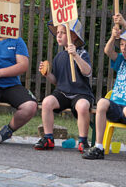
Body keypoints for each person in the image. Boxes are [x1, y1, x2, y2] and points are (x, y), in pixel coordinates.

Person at [83, 14, 126, 165]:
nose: (124, 49)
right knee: (101, 103)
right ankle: (99, 147)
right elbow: (108, 51)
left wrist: (125, 24)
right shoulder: (121, 60)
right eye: (122, 45)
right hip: (116, 108)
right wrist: (114, 37)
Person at [35, 20, 94, 151]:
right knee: (47, 102)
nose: (59, 36)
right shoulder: (59, 57)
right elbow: (57, 81)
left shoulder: (82, 53)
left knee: (83, 106)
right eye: (58, 33)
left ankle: (83, 141)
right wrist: (48, 74)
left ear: (73, 36)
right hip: (62, 92)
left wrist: (75, 56)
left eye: (63, 33)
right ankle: (48, 138)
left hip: (81, 93)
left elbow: (87, 71)